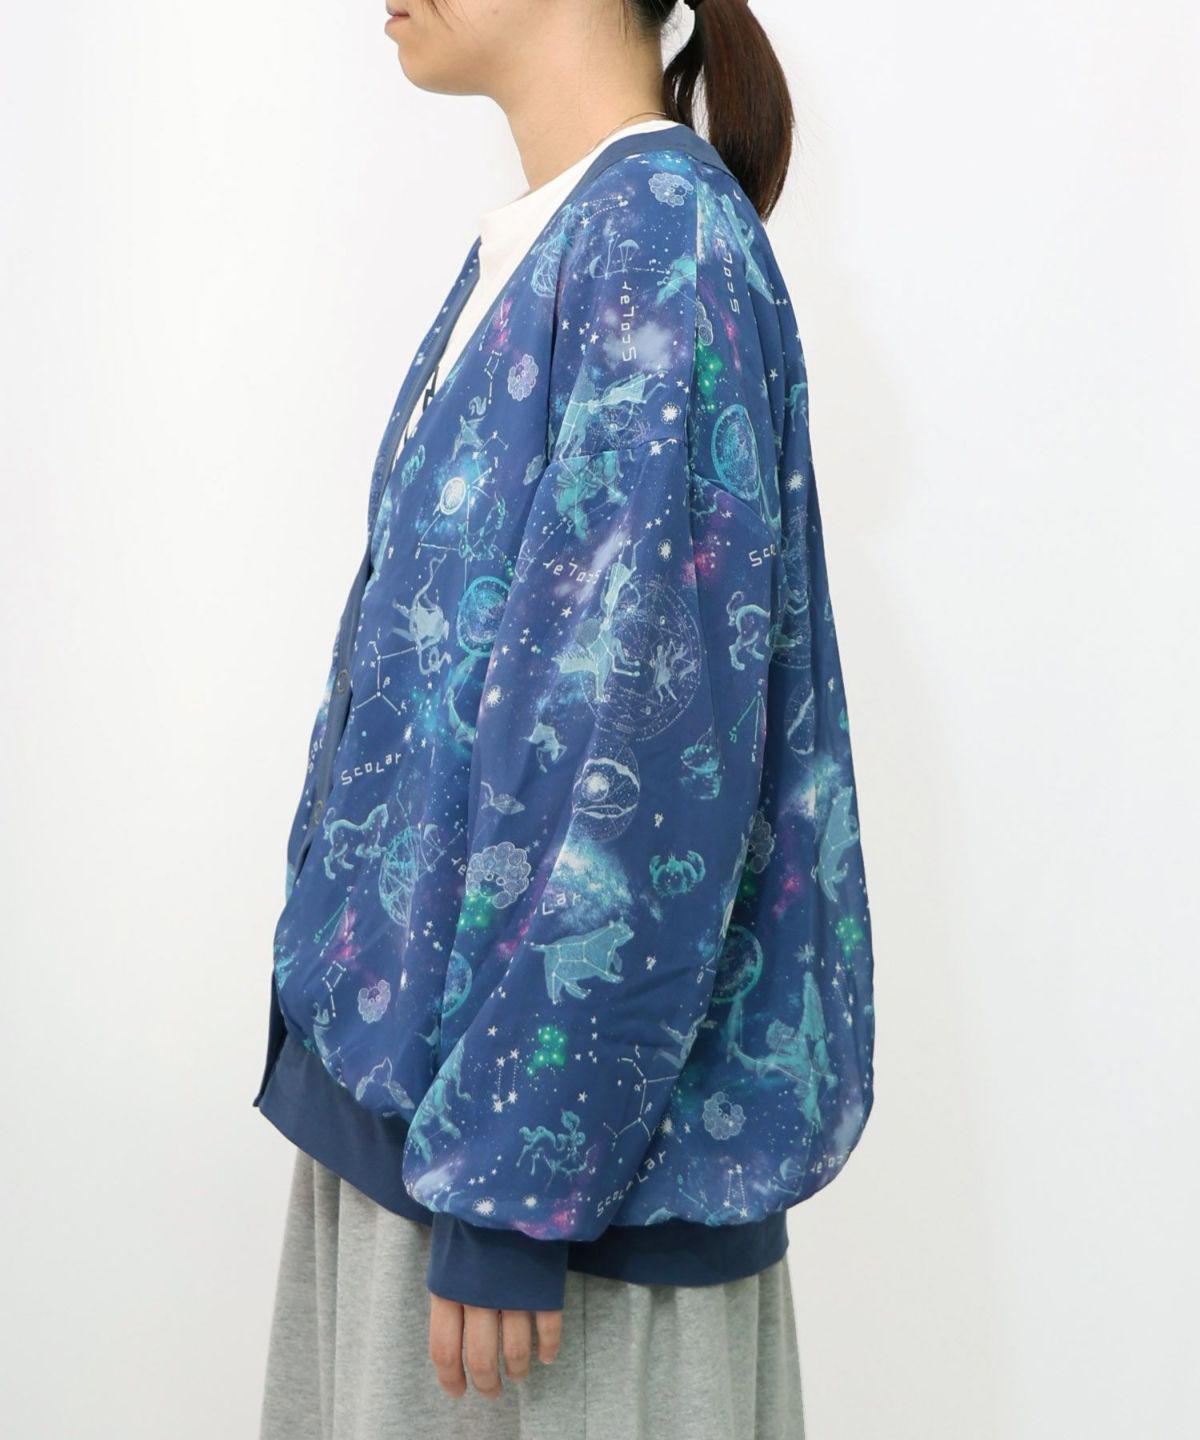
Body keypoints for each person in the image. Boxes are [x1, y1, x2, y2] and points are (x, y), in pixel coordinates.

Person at [253, 2, 877, 1436]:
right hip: (420, 1138)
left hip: (545, 1213)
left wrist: (511, 1194)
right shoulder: (560, 237)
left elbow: (642, 756)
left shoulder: (659, 245)